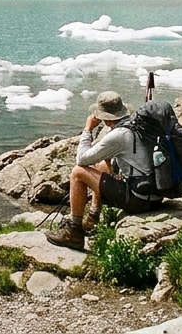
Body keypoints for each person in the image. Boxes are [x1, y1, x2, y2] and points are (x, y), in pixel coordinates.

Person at [43, 91, 158, 251]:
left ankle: (74, 231)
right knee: (101, 166)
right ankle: (93, 217)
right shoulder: (135, 124)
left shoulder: (118, 135)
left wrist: (88, 129)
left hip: (139, 200)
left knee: (78, 172)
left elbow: (81, 159)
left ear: (106, 118)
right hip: (153, 194)